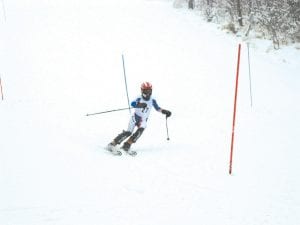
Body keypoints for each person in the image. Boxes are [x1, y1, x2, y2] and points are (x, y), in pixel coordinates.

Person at [106, 82, 171, 156]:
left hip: (143, 120)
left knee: (140, 130)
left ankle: (127, 145)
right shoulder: (139, 98)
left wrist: (164, 111)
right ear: (142, 91)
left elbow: (157, 108)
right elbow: (133, 103)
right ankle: (112, 144)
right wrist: (139, 105)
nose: (148, 93)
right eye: (146, 91)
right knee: (128, 132)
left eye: (149, 91)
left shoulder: (152, 100)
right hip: (135, 118)